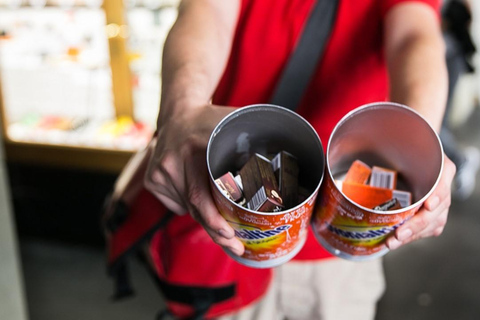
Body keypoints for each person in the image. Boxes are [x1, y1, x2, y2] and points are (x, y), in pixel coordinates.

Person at [144, 0, 457, 319]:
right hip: (225, 220)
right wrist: (180, 112)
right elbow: (207, 9)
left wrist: (422, 142)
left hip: (343, 236)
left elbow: (414, 33)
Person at [440, 0, 480, 200]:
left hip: (448, 57)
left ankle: (461, 160)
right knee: (437, 126)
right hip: (444, 56)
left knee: (435, 127)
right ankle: (460, 158)